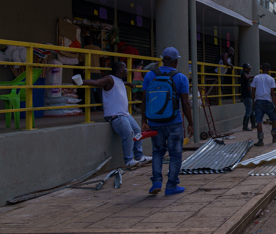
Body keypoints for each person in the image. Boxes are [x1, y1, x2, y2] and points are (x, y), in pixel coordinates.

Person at [141, 47, 194, 196]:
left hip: (154, 122)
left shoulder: (149, 76)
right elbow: (185, 103)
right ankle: (171, 186)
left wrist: (143, 120)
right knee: (175, 154)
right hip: (174, 121)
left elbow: (144, 99)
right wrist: (191, 123)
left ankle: (156, 182)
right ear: (176, 62)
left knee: (157, 151)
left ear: (162, 59)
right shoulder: (181, 78)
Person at [82, 61, 151, 167]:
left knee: (137, 131)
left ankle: (139, 156)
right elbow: (96, 82)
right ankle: (128, 160)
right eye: (125, 68)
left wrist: (128, 84)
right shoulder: (109, 79)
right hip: (116, 115)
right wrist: (81, 81)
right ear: (120, 70)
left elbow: (120, 84)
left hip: (125, 114)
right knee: (129, 133)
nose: (128, 71)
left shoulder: (120, 81)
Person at [251, 62, 276, 146]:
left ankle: (260, 140)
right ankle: (274, 137)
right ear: (269, 70)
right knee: (274, 119)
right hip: (268, 101)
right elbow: (272, 94)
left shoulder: (256, 78)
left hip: (258, 101)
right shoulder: (271, 79)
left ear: (261, 69)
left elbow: (253, 91)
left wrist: (253, 101)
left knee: (259, 121)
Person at [82, 35, 103, 107]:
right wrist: (103, 69)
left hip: (87, 71)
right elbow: (102, 59)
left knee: (88, 90)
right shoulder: (97, 48)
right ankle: (102, 105)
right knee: (100, 88)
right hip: (97, 71)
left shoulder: (83, 49)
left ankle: (91, 106)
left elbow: (80, 61)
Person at [240, 63, 255, 131]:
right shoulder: (244, 74)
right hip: (246, 96)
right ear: (245, 69)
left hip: (248, 95)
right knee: (249, 110)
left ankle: (253, 124)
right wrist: (254, 76)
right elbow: (247, 77)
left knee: (252, 110)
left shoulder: (246, 77)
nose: (249, 70)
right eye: (248, 68)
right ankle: (245, 126)